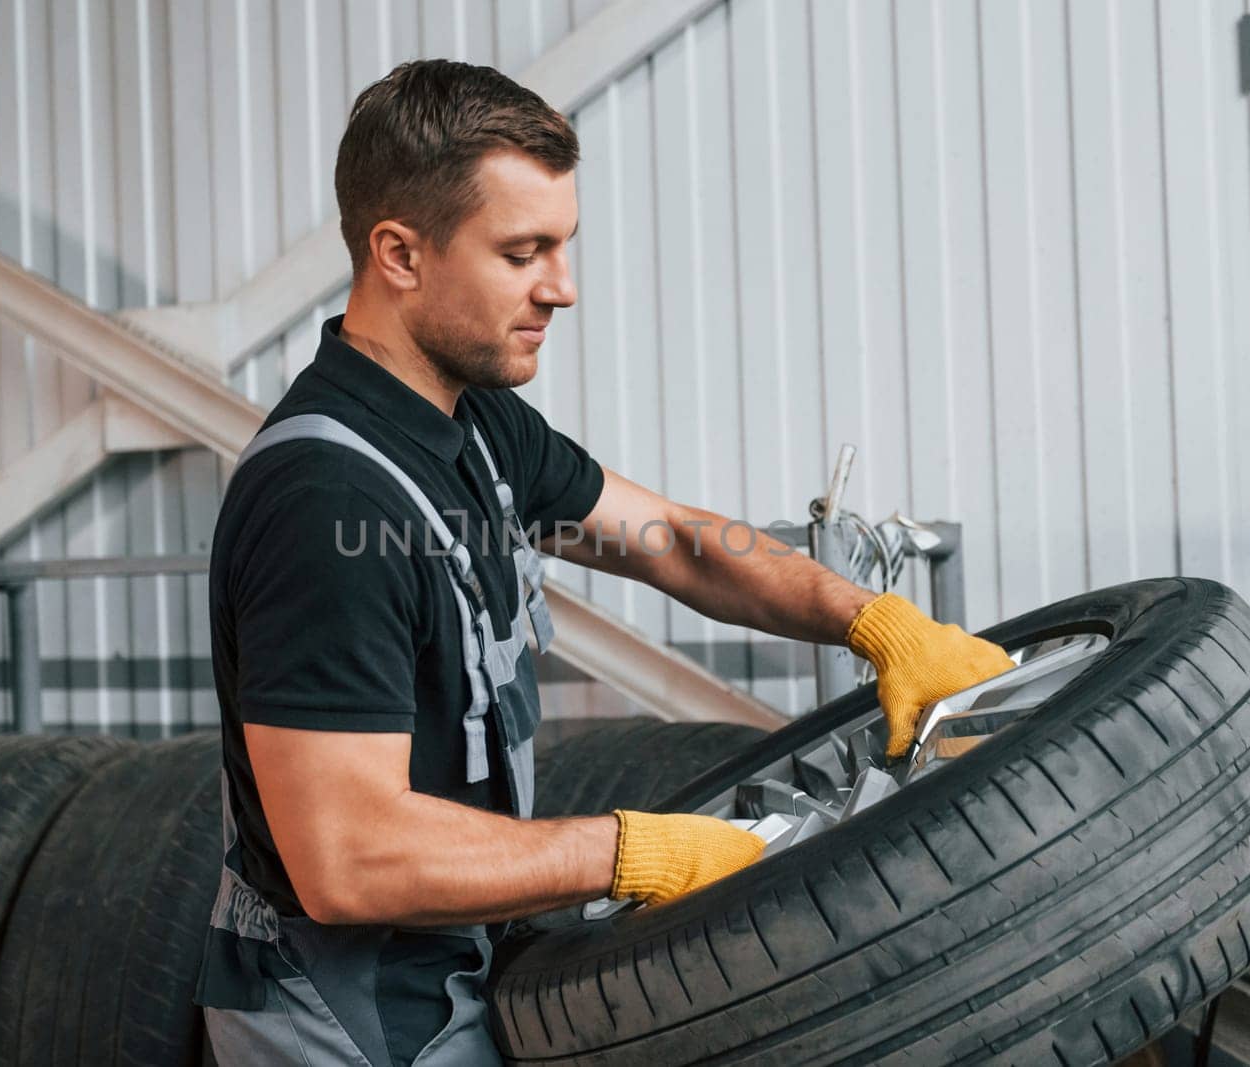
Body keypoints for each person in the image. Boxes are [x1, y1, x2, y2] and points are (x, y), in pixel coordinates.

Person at [193, 58, 1015, 1066]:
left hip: (454, 970)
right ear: (399, 253)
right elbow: (348, 857)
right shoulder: (325, 500)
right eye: (522, 251)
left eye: (564, 245)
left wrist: (872, 621)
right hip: (344, 1018)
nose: (562, 287)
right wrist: (634, 849)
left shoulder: (480, 425)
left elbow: (670, 539)